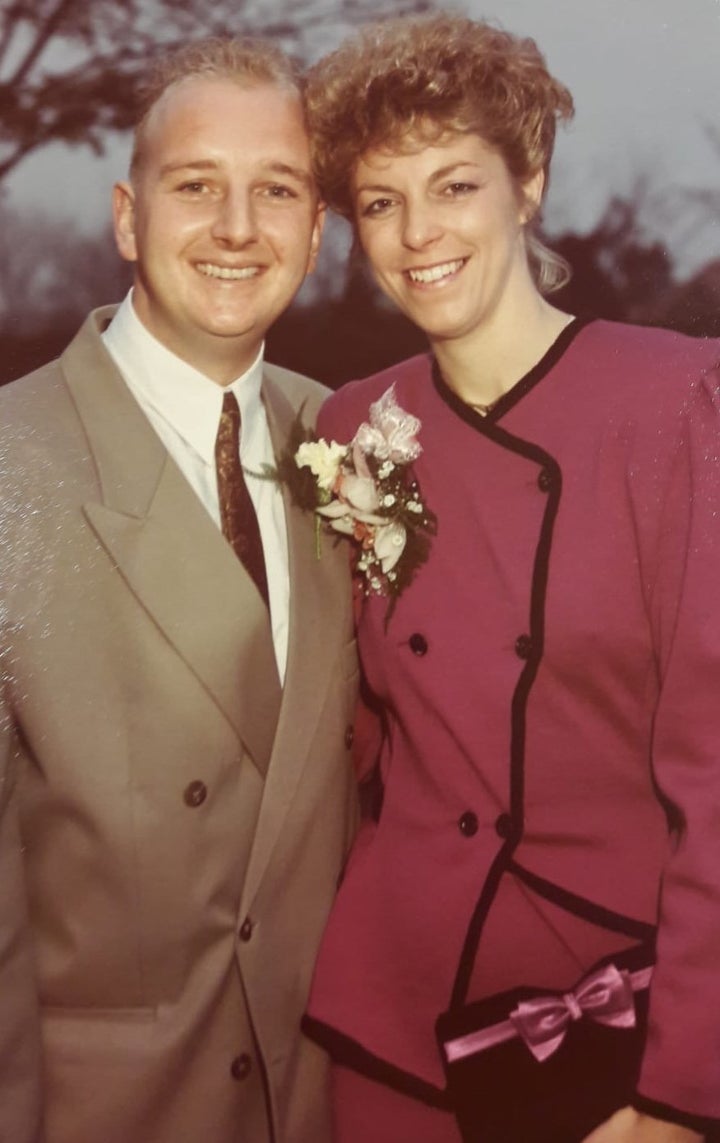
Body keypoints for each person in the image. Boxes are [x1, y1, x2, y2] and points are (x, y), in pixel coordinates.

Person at [301, 13, 720, 1143]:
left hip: (610, 1023)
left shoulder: (679, 405)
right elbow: (362, 739)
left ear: (527, 185)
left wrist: (684, 1090)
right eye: (382, 203)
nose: (416, 234)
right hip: (393, 1028)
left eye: (455, 186)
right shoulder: (357, 426)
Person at [0, 37, 358, 1143]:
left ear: (315, 229)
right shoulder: (11, 465)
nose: (239, 228)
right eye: (196, 186)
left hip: (318, 1105)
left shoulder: (357, 441)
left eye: (278, 191)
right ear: (125, 216)